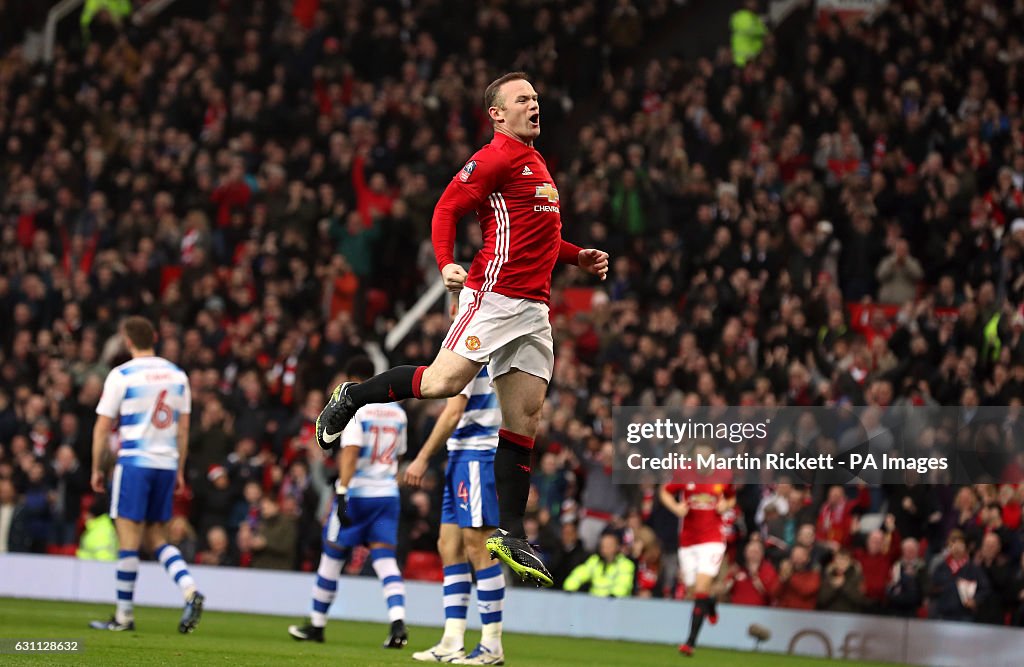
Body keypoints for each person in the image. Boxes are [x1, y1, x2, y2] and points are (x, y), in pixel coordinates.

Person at [314, 71, 609, 588]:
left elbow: (541, 237)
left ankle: (511, 533)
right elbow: (447, 207)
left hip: (534, 308)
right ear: (498, 113)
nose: (534, 105)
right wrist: (446, 263)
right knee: (443, 384)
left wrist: (577, 257)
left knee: (526, 417)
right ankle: (352, 397)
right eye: (523, 99)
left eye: (537, 97)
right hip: (493, 295)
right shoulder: (493, 157)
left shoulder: (537, 162)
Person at [88, 316, 204, 633]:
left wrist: (97, 468)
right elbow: (183, 429)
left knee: (129, 538)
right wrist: (179, 469)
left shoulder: (122, 375)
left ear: (128, 341)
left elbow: (102, 427)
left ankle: (123, 616)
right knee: (157, 538)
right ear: (154, 337)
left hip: (135, 463)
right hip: (166, 465)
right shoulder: (178, 375)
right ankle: (190, 589)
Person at [289, 356, 409, 649]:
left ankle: (316, 625)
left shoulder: (356, 407)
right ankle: (398, 623)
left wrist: (342, 491)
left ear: (352, 378)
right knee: (385, 559)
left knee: (331, 556)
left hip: (357, 493)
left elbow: (351, 453)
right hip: (386, 493)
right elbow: (399, 455)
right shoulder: (397, 412)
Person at [405, 363, 507, 665]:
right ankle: (452, 640)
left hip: (478, 454)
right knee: (448, 547)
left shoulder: (470, 352)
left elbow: (453, 411)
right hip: (461, 454)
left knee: (479, 546)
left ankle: (491, 643)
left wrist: (422, 457)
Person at [658, 445, 735, 658]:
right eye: (698, 457)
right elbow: (664, 492)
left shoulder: (724, 474)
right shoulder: (684, 472)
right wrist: (676, 508)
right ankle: (710, 605)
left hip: (712, 539)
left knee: (701, 588)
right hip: (688, 541)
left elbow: (731, 497)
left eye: (706, 456)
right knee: (694, 591)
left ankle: (690, 642)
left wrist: (725, 506)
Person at [563, 531, 635, 598]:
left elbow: (623, 585)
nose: (604, 548)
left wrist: (613, 596)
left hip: (616, 604)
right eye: (603, 545)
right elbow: (579, 573)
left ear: (617, 547)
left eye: (609, 545)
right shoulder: (595, 561)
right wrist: (569, 588)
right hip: (594, 603)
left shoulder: (626, 564)